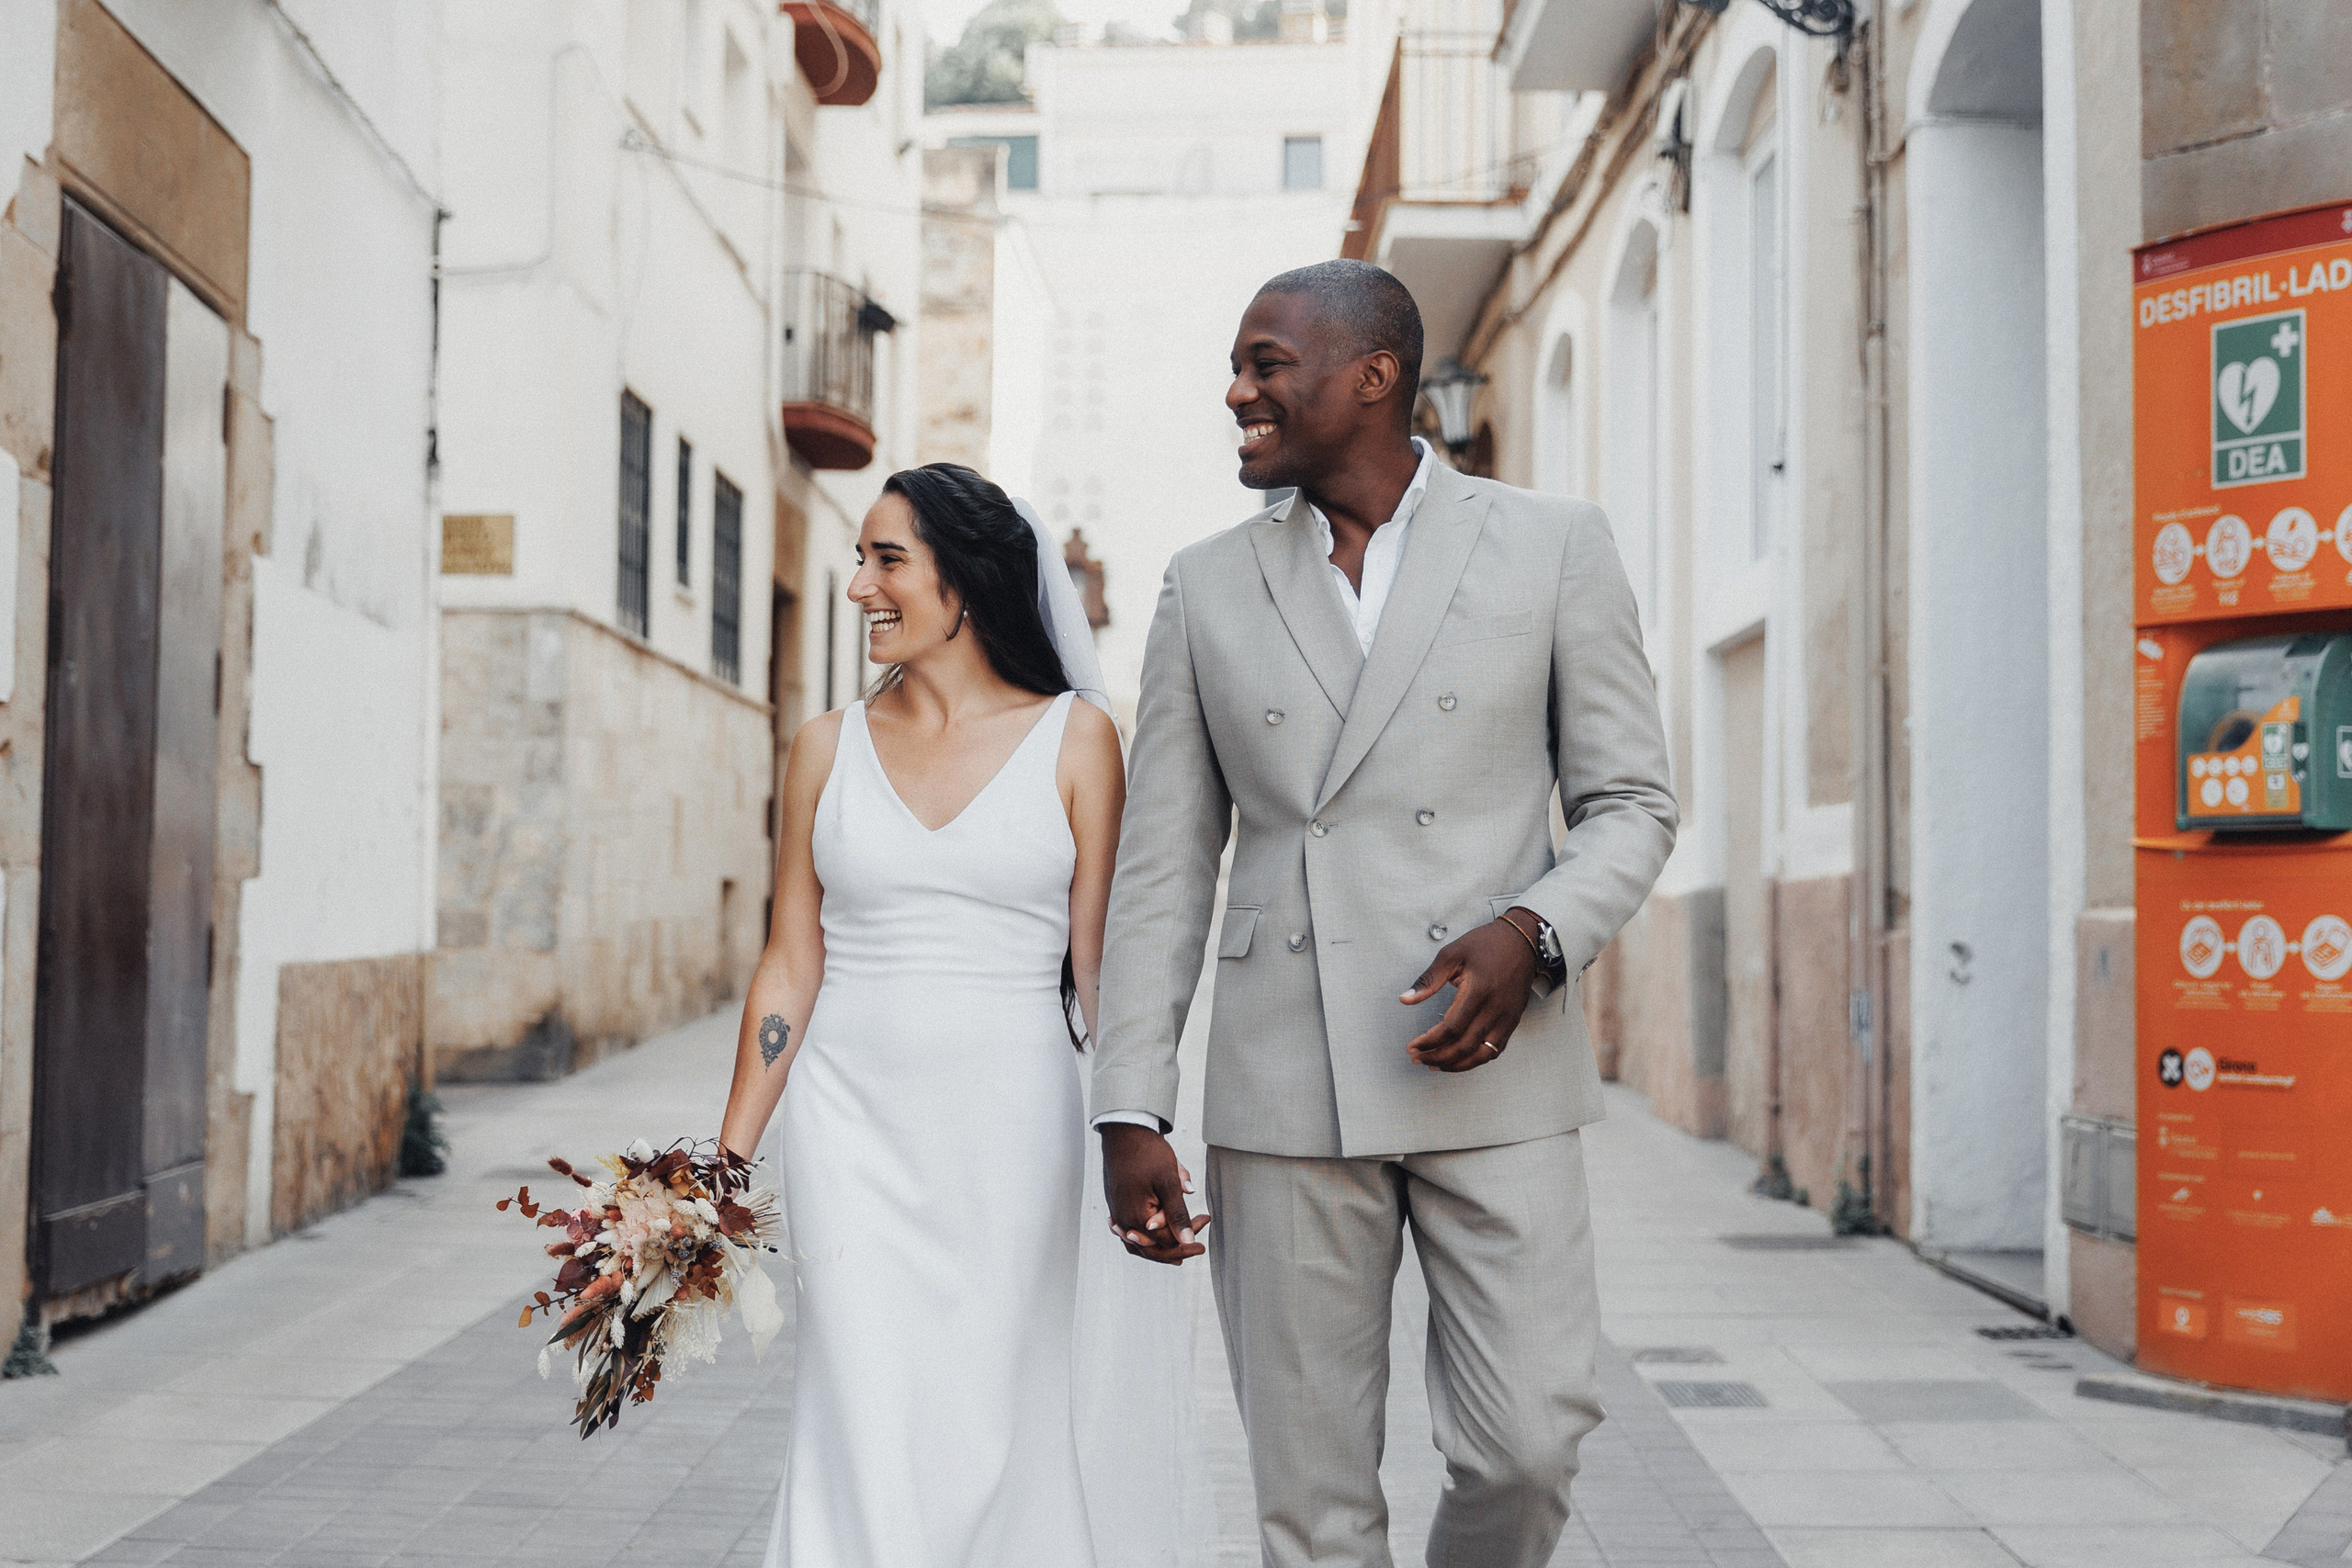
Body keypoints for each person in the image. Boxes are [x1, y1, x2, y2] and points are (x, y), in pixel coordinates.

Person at [1093, 260, 1678, 1568]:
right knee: (1312, 1500)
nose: (1237, 390)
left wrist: (1533, 933)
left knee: (1530, 1441)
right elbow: (1165, 866)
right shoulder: (1207, 585)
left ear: (1375, 376)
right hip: (1285, 1078)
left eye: (1265, 364)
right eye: (1239, 366)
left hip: (1494, 1066)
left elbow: (1633, 802)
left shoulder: (1552, 542)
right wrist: (1132, 1100)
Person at [716, 464, 1207, 1568]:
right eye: (860, 559)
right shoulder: (822, 748)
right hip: (850, 1129)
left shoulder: (1078, 740)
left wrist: (1142, 1128)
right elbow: (792, 961)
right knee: (861, 1407)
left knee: (998, 1407)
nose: (858, 588)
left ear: (967, 582)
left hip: (1015, 1126)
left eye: (887, 560)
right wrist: (724, 1162)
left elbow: (1099, 972)